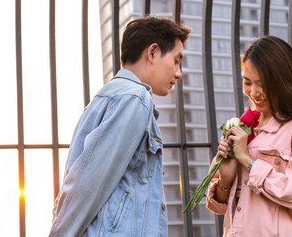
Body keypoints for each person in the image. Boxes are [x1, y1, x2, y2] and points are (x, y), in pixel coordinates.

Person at [49, 15, 191, 237]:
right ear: (152, 52)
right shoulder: (135, 100)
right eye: (176, 60)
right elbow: (87, 184)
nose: (178, 73)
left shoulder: (105, 98)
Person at [206, 35, 292, 237]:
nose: (254, 92)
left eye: (263, 84)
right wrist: (226, 180)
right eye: (248, 82)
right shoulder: (244, 126)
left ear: (283, 81)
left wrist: (247, 161)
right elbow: (220, 206)